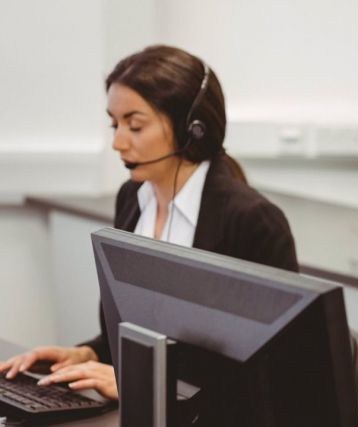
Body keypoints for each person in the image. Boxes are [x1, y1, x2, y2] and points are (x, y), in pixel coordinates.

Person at [0, 45, 298, 400]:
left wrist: (146, 385)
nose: (117, 142)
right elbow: (143, 335)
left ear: (193, 129)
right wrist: (90, 353)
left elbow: (269, 375)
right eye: (114, 123)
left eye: (134, 125)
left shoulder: (251, 222)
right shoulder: (133, 199)